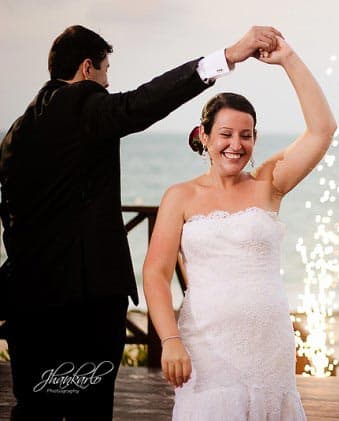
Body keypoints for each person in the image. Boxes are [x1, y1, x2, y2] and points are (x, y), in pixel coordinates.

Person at [0, 24, 282, 420]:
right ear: (86, 69)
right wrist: (228, 56)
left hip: (27, 300)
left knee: (33, 408)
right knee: (88, 409)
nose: (108, 82)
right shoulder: (84, 105)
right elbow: (144, 102)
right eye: (105, 71)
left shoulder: (16, 131)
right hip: (84, 305)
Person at [143, 35, 336, 420]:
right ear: (205, 137)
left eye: (245, 136)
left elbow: (322, 131)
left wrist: (289, 60)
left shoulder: (269, 184)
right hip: (206, 349)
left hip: (269, 348)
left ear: (254, 140)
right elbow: (155, 273)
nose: (236, 145)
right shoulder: (179, 197)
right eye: (226, 135)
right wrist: (170, 341)